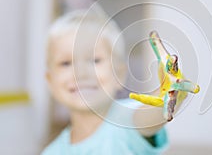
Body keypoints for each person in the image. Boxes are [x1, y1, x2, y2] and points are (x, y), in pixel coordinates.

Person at [42, 8, 169, 155]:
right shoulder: (52, 152)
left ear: (119, 74)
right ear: (50, 81)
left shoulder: (128, 117)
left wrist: (170, 90)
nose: (81, 73)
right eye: (65, 63)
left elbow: (155, 110)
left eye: (95, 60)